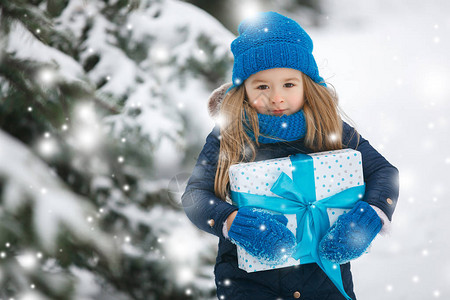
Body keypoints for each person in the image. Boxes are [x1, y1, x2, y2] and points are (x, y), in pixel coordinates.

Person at [182, 11, 399, 300]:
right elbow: (195, 195)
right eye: (262, 86)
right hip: (249, 283)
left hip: (323, 278)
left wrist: (370, 216)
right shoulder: (229, 135)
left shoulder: (329, 128)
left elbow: (384, 173)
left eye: (288, 84)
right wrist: (233, 221)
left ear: (306, 83)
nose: (276, 98)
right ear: (243, 89)